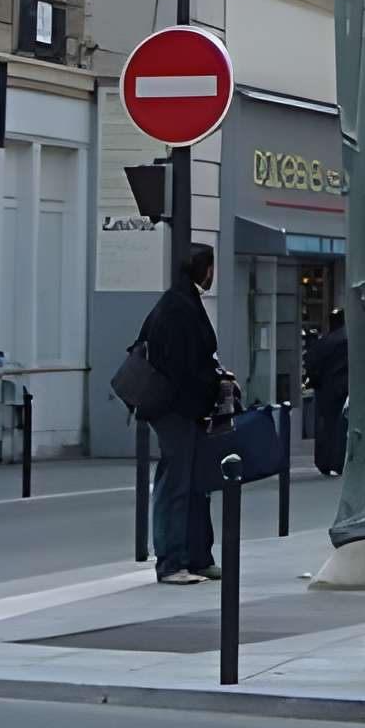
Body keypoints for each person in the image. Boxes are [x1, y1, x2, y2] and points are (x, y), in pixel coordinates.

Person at [142, 246, 227, 582]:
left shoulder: (177, 301)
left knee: (192, 483)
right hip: (176, 407)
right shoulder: (180, 307)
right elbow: (185, 363)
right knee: (178, 483)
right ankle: (173, 561)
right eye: (211, 268)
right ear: (204, 269)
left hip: (179, 407)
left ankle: (195, 556)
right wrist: (213, 382)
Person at [307, 315, 349, 478]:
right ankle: (335, 462)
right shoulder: (347, 340)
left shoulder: (325, 342)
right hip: (343, 388)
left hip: (325, 389)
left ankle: (324, 461)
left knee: (325, 426)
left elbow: (311, 362)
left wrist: (316, 381)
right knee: (339, 428)